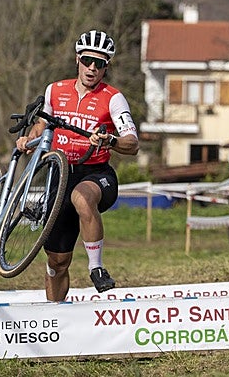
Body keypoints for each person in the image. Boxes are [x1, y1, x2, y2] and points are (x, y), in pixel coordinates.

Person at [16, 30, 139, 301]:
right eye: (87, 61)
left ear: (107, 66)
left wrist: (110, 140)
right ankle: (55, 323)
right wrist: (29, 139)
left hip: (96, 174)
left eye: (100, 63)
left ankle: (96, 267)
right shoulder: (55, 90)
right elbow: (42, 124)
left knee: (82, 198)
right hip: (59, 177)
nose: (92, 68)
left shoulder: (113, 98)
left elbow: (132, 142)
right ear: (77, 60)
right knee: (57, 263)